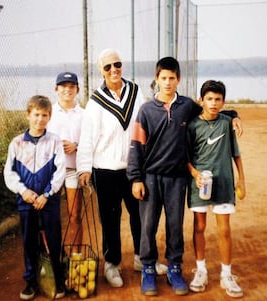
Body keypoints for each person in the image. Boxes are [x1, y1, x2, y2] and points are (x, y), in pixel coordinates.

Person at [127, 57, 242, 296]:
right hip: (150, 176)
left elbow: (213, 110)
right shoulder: (146, 110)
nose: (168, 83)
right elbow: (136, 145)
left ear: (178, 79)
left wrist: (235, 114)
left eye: (172, 78)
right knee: (148, 225)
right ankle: (148, 269)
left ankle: (175, 268)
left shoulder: (187, 106)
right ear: (156, 80)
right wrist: (136, 178)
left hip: (177, 178)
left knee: (174, 225)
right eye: (163, 78)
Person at [76, 48, 167, 288]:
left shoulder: (136, 92)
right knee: (110, 219)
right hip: (105, 170)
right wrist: (84, 168)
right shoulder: (95, 101)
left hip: (135, 168)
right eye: (108, 67)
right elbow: (87, 137)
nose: (113, 70)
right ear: (101, 71)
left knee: (141, 216)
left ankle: (142, 258)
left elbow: (149, 119)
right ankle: (112, 264)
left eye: (117, 64)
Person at [186, 80, 245, 298]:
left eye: (217, 99)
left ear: (223, 102)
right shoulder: (192, 126)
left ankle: (226, 274)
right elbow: (187, 158)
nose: (213, 103)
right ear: (201, 100)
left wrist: (242, 180)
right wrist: (195, 174)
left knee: (224, 230)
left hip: (224, 183)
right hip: (200, 183)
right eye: (209, 99)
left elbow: (236, 155)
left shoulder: (227, 122)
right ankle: (200, 271)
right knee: (199, 227)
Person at [3, 95, 66, 300]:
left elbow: (60, 171)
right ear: (28, 115)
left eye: (44, 115)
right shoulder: (17, 143)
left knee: (54, 241)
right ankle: (31, 281)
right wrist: (24, 191)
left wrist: (47, 194)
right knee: (29, 241)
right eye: (36, 115)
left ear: (50, 116)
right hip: (27, 202)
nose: (40, 119)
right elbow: (9, 173)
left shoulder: (55, 141)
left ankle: (57, 279)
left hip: (49, 202)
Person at [47, 72, 84, 254]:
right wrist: (56, 147)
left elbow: (90, 140)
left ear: (77, 89)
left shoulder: (84, 114)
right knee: (50, 216)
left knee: (74, 215)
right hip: (52, 171)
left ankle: (76, 257)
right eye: (63, 86)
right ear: (56, 89)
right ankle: (53, 255)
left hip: (73, 170)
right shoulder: (50, 113)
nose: (67, 90)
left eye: (71, 86)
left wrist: (76, 146)